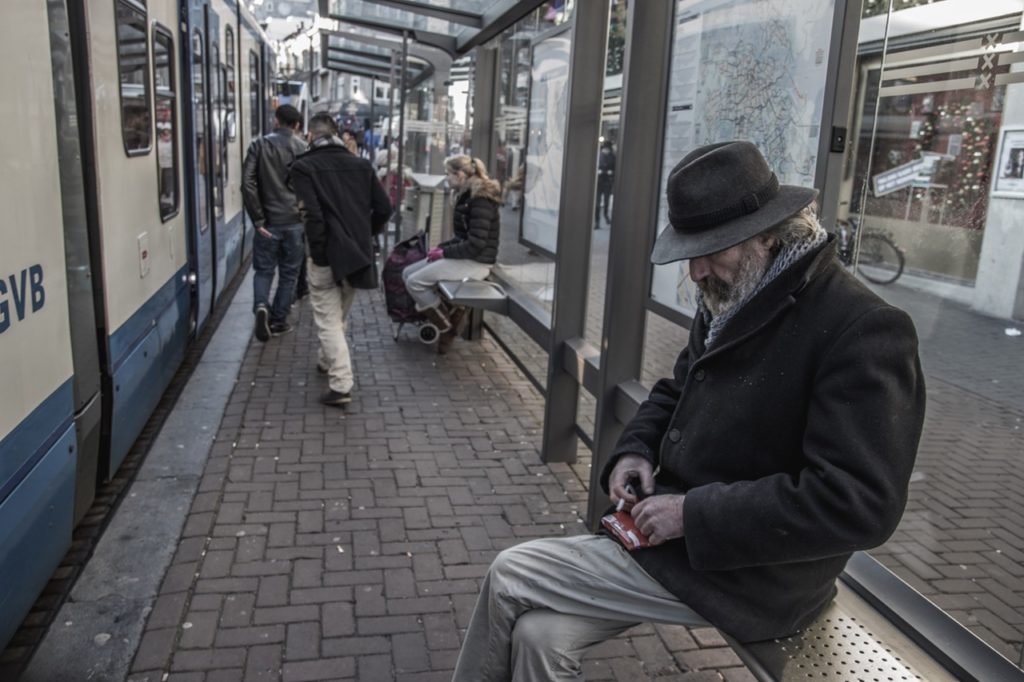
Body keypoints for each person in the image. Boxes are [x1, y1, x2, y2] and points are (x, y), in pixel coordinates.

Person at [451, 141, 926, 681]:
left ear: (768, 234)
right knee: (540, 637)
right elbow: (678, 388)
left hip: (753, 574)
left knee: (511, 571)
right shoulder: (742, 289)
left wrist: (692, 514)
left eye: (711, 250)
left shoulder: (862, 328)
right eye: (690, 251)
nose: (696, 272)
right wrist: (634, 449)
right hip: (684, 542)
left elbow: (860, 504)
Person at [289, 113, 392, 407]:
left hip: (325, 256)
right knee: (339, 316)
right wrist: (365, 233)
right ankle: (325, 360)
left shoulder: (304, 167)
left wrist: (319, 252)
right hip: (357, 255)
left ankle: (341, 383)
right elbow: (384, 208)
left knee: (327, 320)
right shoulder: (360, 165)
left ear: (310, 136)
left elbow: (312, 215)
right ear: (337, 134)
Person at [402, 155, 502, 354]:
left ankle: (446, 327)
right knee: (407, 273)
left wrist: (444, 252)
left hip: (476, 262)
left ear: (461, 175)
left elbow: (476, 243)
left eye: (448, 174)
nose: (446, 179)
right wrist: (440, 249)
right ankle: (452, 314)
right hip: (467, 256)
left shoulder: (479, 199)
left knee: (414, 282)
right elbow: (463, 237)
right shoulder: (467, 195)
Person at [242, 104, 307, 341]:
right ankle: (278, 321)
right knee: (290, 273)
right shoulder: (304, 148)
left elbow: (247, 183)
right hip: (295, 223)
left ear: (276, 121)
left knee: (264, 270)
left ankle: (261, 305)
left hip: (268, 223)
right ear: (297, 125)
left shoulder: (259, 145)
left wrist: (258, 219)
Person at [595, 140, 615, 229]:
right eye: (605, 149)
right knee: (597, 203)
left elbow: (615, 168)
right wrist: (598, 172)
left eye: (608, 149)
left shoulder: (613, 157)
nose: (606, 151)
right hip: (599, 182)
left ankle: (606, 215)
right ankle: (597, 221)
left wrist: (612, 172)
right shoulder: (598, 156)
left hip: (607, 182)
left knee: (606, 202)